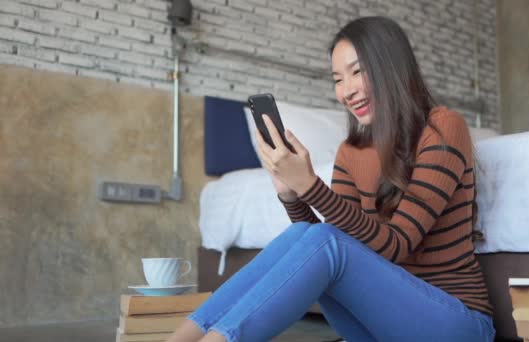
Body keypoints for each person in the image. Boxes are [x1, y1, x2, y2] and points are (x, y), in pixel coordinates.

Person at [168, 16, 495, 342]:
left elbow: (396, 245)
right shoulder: (351, 151)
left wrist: (311, 185)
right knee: (305, 234)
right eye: (338, 79)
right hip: (379, 327)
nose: (346, 91)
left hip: (455, 324)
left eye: (357, 72)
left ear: (390, 68)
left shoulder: (443, 127)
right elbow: (327, 245)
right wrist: (291, 194)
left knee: (325, 241)